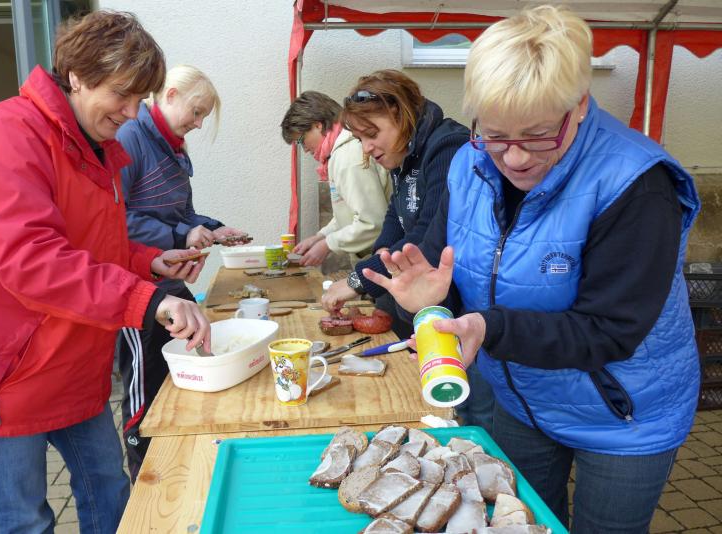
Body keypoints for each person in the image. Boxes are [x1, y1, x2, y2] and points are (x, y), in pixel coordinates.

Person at [363, 6, 700, 533]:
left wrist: (487, 327)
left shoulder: (635, 184)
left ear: (579, 105)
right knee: (521, 524)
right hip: (522, 401)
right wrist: (431, 303)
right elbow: (443, 271)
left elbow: (609, 329)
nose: (515, 157)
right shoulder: (468, 163)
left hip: (623, 417)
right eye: (496, 134)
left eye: (539, 135)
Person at [0, 11, 212, 534]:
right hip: (1, 370)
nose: (131, 112)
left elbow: (91, 243)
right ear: (76, 75)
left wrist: (148, 261)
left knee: (110, 491)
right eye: (121, 94)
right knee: (24, 518)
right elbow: (32, 260)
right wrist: (147, 299)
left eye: (139, 98)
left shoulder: (97, 147)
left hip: (70, 359)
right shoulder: (5, 136)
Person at [115, 64, 243, 482]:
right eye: (197, 111)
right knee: (145, 382)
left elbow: (183, 215)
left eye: (204, 115)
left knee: (191, 361)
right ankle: (143, 468)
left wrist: (213, 228)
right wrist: (180, 233)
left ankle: (184, 456)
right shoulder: (131, 136)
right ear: (170, 95)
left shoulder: (175, 147)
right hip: (138, 287)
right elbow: (117, 218)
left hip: (169, 281)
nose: (199, 123)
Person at [320, 70, 470, 340]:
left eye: (371, 134)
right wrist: (383, 249)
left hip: (453, 304)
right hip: (414, 291)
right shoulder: (402, 151)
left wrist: (360, 279)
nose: (366, 148)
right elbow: (396, 212)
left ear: (401, 115)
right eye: (360, 139)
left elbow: (429, 233)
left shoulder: (448, 147)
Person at [281, 91, 391, 270]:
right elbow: (348, 214)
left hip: (385, 261)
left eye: (301, 141)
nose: (305, 149)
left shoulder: (347, 157)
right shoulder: (338, 154)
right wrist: (321, 237)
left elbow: (372, 222)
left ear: (318, 125)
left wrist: (327, 245)